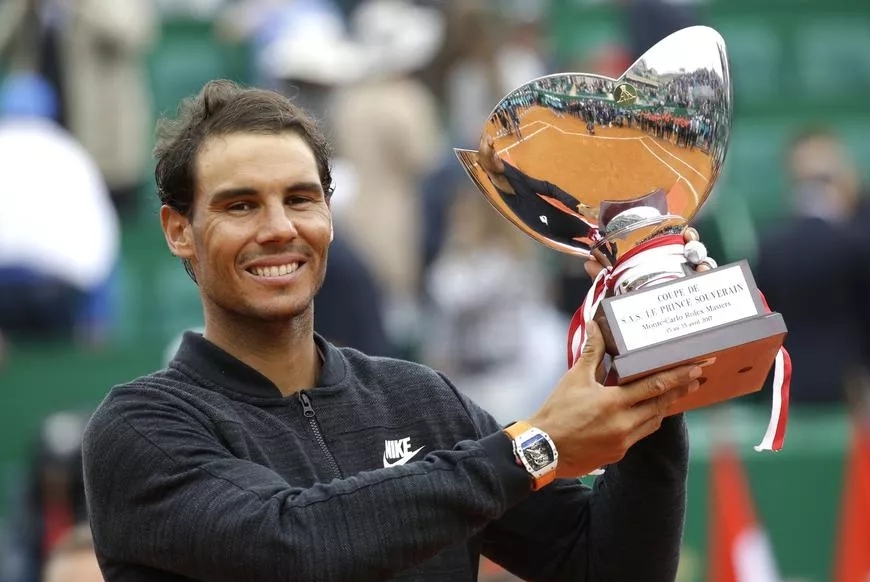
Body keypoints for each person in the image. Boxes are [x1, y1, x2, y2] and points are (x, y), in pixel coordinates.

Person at [82, 79, 707, 582]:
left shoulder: (419, 401)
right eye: (240, 205)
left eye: (300, 199)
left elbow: (606, 567)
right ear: (179, 230)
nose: (278, 228)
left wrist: (648, 359)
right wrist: (531, 448)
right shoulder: (142, 428)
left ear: (329, 215)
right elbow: (293, 547)